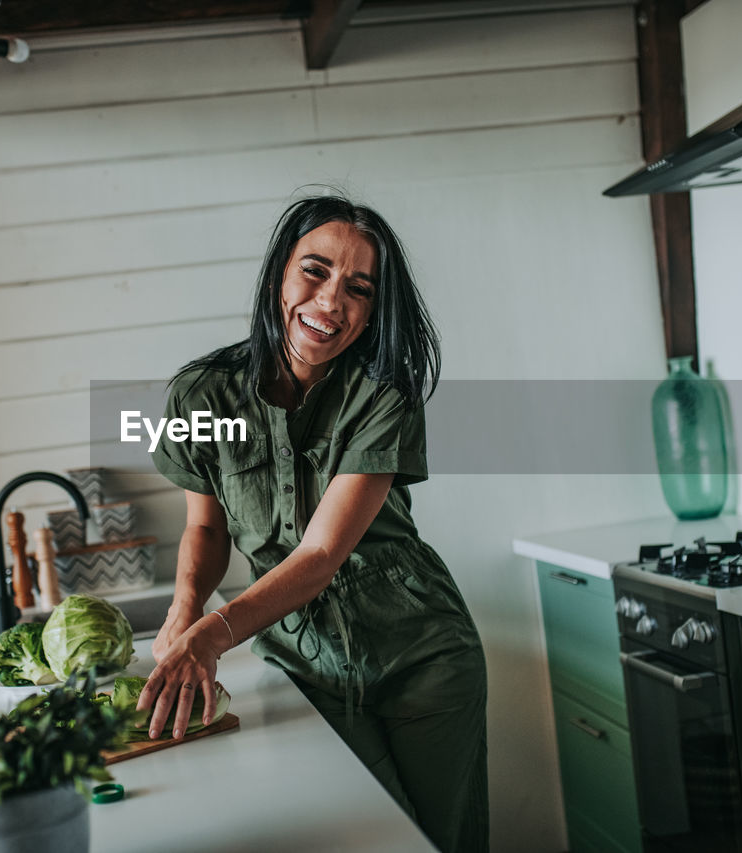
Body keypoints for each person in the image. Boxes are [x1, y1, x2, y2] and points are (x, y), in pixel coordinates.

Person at [138, 193, 488, 853]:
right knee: (361, 840)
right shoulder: (202, 393)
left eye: (358, 287)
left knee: (441, 843)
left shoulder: (386, 391)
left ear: (374, 308)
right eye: (315, 271)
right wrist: (185, 608)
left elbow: (323, 551)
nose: (330, 302)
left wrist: (211, 636)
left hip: (423, 652)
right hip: (301, 661)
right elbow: (208, 530)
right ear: (279, 275)